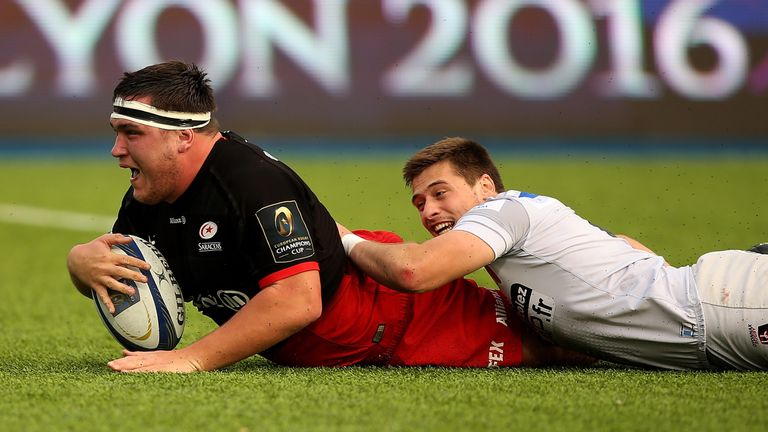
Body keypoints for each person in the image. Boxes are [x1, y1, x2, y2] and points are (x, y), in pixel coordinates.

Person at [66, 61, 589, 373]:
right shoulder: (148, 193)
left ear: (183, 137)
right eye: (117, 132)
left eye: (131, 133)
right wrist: (81, 263)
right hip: (363, 336)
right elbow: (125, 265)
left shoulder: (249, 182)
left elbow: (297, 300)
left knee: (573, 340)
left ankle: (634, 279)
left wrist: (195, 358)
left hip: (405, 317)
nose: (116, 149)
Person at [338, 136, 768, 371]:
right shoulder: (514, 225)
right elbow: (623, 243)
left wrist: (341, 236)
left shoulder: (500, 211)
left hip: (721, 308)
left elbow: (414, 272)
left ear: (485, 186)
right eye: (420, 203)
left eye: (440, 193)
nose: (429, 210)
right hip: (712, 311)